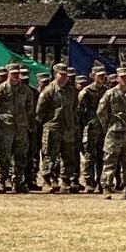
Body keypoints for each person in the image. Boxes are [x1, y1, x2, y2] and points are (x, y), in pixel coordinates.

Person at [0, 64, 34, 193]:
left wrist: (27, 122)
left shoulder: (25, 90)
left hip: (21, 126)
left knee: (20, 155)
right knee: (4, 155)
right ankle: (2, 181)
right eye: (13, 73)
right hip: (5, 126)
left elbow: (30, 108)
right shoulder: (0, 89)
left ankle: (18, 182)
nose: (15, 76)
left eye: (17, 73)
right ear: (8, 73)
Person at [97, 67, 126, 200]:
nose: (125, 79)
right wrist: (108, 125)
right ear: (117, 78)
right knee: (110, 160)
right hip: (114, 132)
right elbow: (101, 112)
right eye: (122, 77)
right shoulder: (110, 94)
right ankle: (107, 187)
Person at [36, 63, 78, 194]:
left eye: (66, 75)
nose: (65, 77)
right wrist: (46, 124)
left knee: (68, 156)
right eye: (62, 75)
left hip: (67, 128)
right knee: (49, 156)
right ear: (55, 74)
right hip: (52, 128)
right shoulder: (49, 90)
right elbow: (40, 111)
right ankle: (47, 182)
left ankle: (65, 182)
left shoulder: (71, 91)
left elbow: (75, 108)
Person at [79, 69, 109, 193]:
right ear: (93, 76)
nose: (102, 78)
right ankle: (89, 182)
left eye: (103, 76)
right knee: (90, 155)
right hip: (90, 127)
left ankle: (101, 182)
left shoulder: (107, 91)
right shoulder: (86, 92)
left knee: (102, 155)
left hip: (103, 127)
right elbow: (80, 111)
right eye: (99, 76)